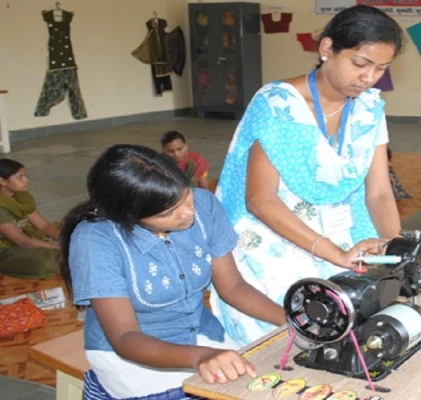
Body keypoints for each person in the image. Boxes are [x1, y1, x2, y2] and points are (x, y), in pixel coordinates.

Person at [212, 5, 404, 346]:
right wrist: (335, 254)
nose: (369, 78)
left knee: (361, 313)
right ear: (327, 49)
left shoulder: (369, 108)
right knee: (310, 318)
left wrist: (396, 249)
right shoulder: (278, 105)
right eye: (360, 64)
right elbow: (259, 199)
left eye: (381, 69)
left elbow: (378, 192)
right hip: (276, 234)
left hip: (342, 233)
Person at [61, 144, 285, 400]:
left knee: (261, 389)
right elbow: (125, 336)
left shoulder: (204, 205)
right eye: (168, 212)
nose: (189, 213)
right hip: (133, 353)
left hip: (201, 336)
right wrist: (201, 357)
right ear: (129, 216)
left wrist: (290, 322)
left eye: (186, 196)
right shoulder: (96, 239)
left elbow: (233, 287)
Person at [0, 159, 60, 278]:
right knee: (48, 262)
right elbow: (22, 241)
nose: (26, 180)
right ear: (2, 181)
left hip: (27, 236)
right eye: (20, 177)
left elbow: (43, 226)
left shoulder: (21, 196)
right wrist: (54, 246)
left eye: (24, 175)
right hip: (7, 249)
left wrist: (66, 238)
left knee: (75, 228)